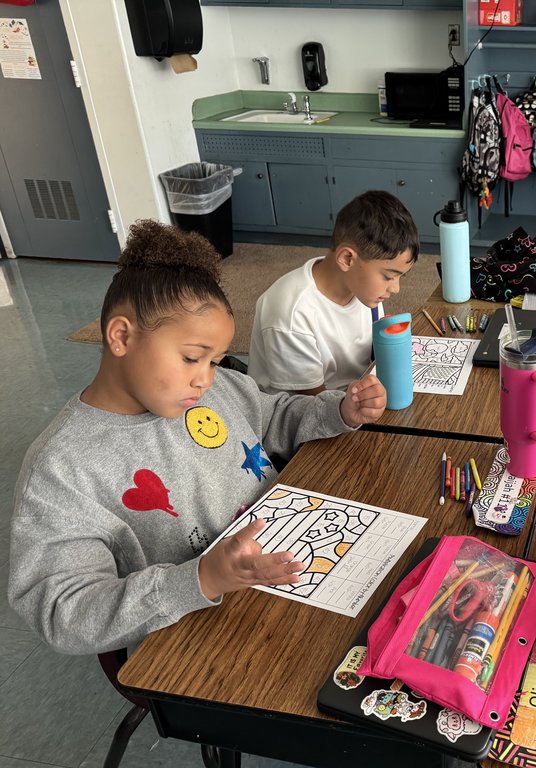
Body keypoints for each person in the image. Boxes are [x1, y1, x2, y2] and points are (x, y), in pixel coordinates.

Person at [7, 221, 387, 655]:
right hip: (202, 634)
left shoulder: (218, 387)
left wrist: (336, 410)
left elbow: (272, 416)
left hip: (288, 570)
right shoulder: (63, 467)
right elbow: (63, 611)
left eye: (216, 360)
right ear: (121, 336)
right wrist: (201, 578)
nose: (206, 379)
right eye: (191, 358)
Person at [247, 190, 419, 395]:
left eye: (401, 277)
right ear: (346, 259)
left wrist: (382, 342)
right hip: (307, 413)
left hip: (352, 394)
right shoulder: (292, 313)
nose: (396, 288)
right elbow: (310, 409)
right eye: (389, 276)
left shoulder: (362, 287)